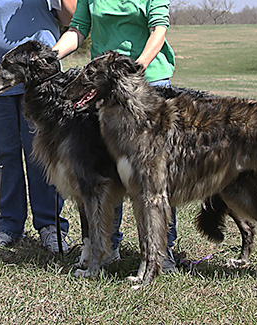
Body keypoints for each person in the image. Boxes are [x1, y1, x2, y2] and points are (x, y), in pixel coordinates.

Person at [52, 0, 178, 271]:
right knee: (110, 168)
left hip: (147, 82)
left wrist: (134, 69)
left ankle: (163, 249)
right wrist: (52, 56)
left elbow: (159, 30)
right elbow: (78, 29)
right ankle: (110, 245)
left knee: (156, 174)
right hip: (104, 87)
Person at [0, 0, 77, 253]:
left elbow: (70, 19)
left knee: (44, 157)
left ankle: (50, 226)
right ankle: (7, 225)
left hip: (42, 81)